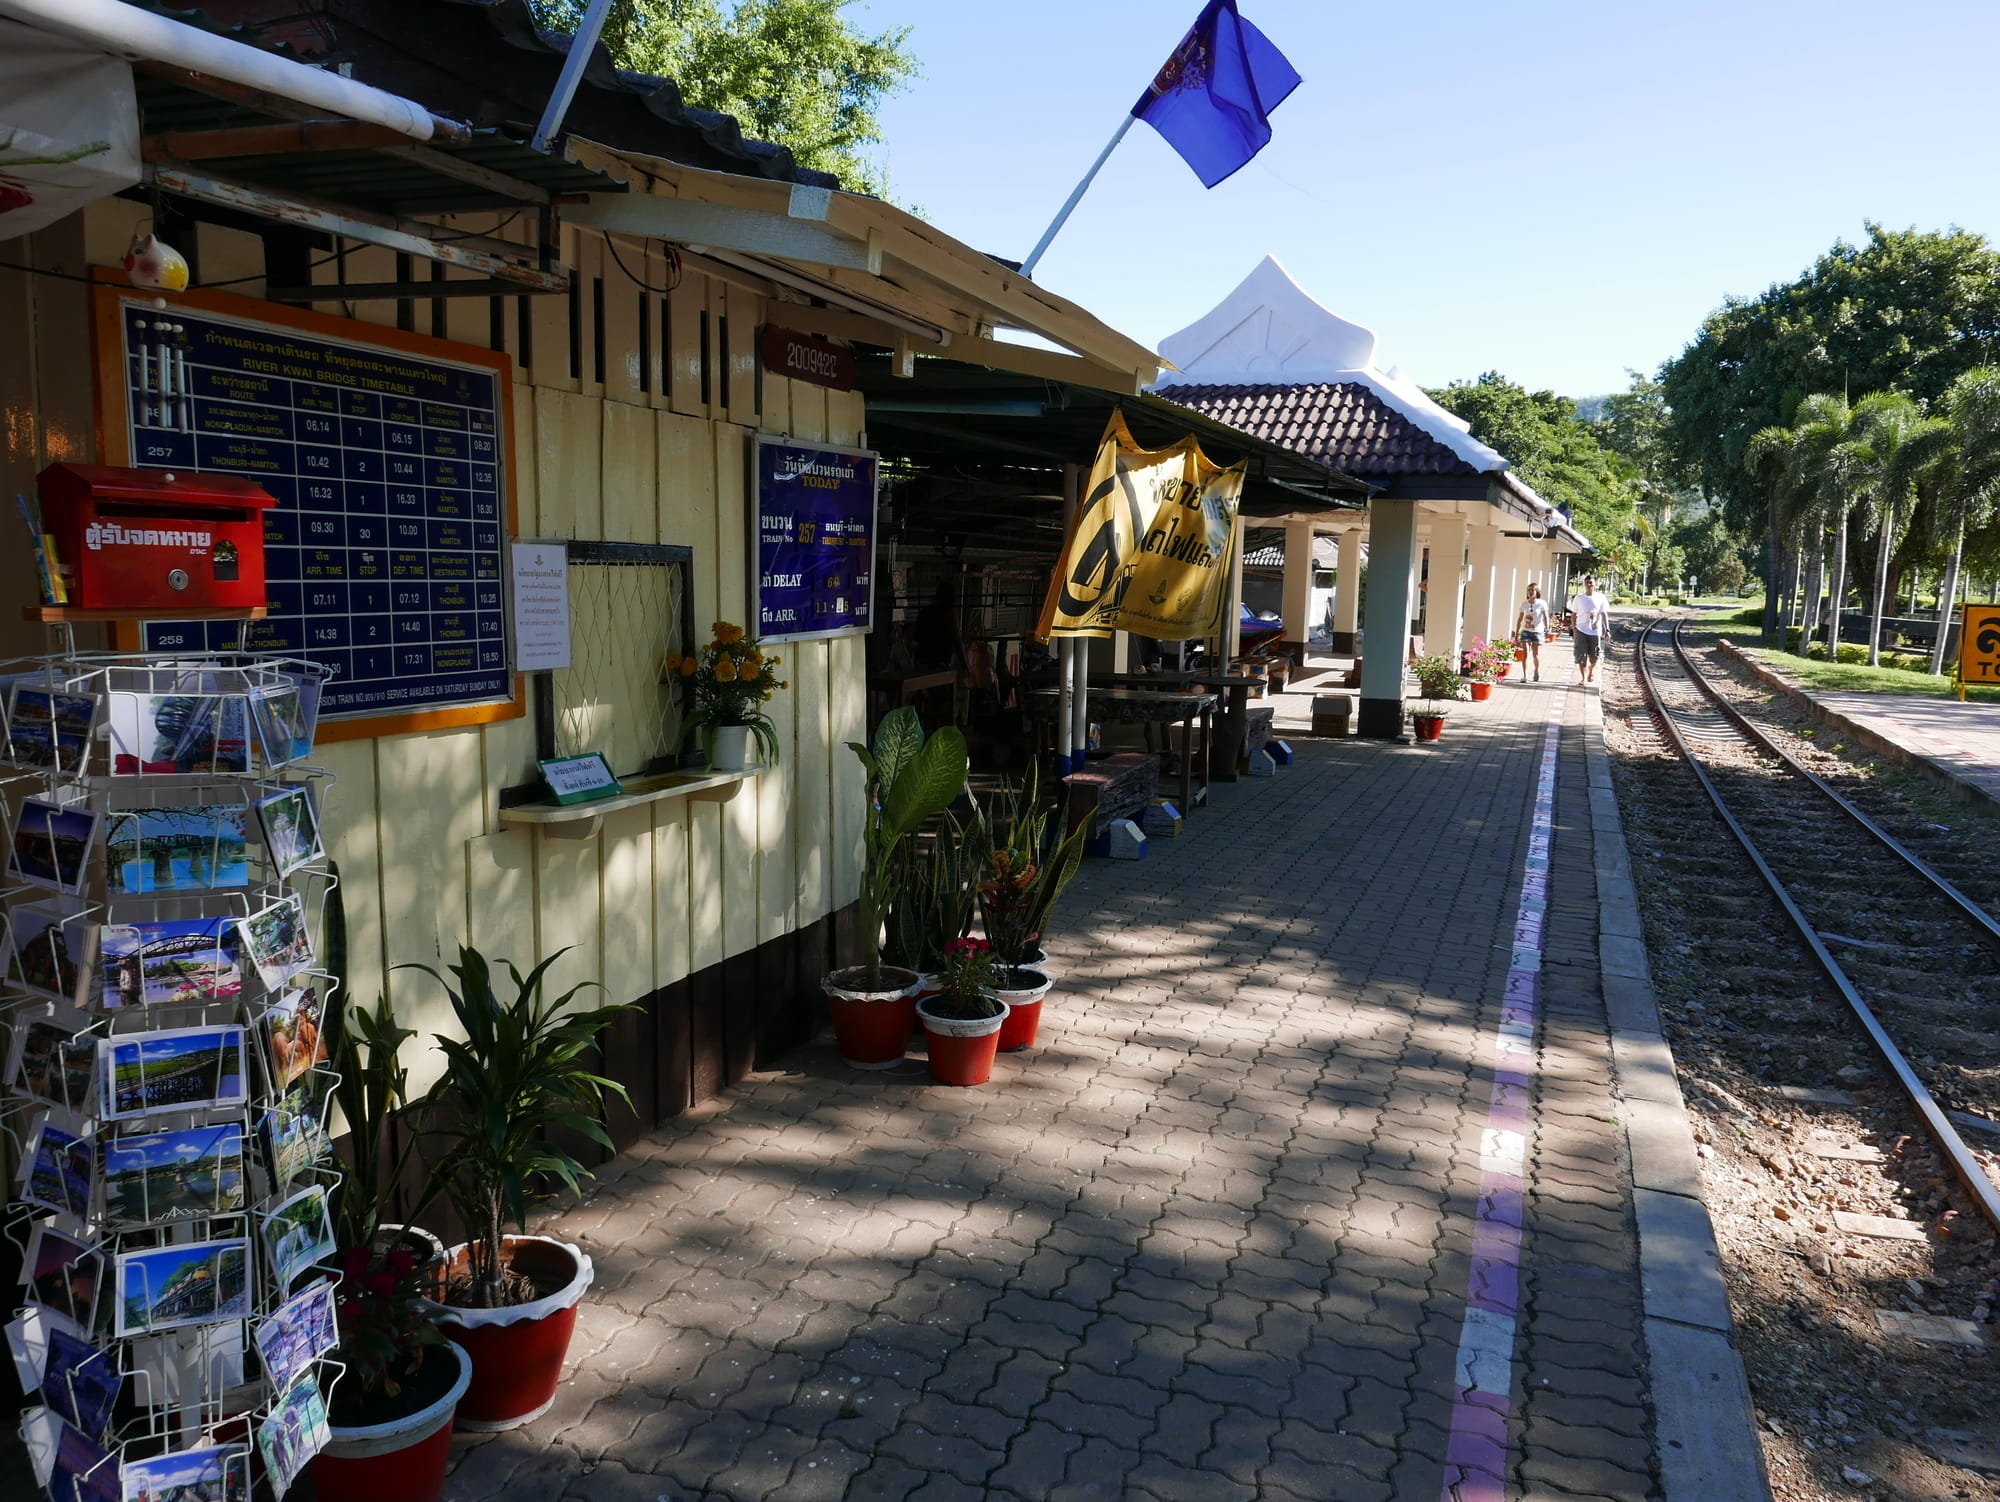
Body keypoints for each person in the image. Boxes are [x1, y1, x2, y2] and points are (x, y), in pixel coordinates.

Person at [1568, 575, 1608, 685]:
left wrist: (1607, 629)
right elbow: (1574, 613)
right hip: (1581, 630)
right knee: (1581, 655)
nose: (1589, 584)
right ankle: (1583, 678)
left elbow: (1604, 614)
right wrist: (1574, 627)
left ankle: (1591, 671)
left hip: (1595, 632)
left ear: (1595, 584)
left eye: (1591, 582)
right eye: (1587, 582)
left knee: (1594, 656)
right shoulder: (1579, 598)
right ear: (1584, 584)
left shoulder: (1600, 598)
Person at [1513, 583, 1552, 682]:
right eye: (1529, 590)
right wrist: (1517, 632)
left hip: (1537, 631)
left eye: (1532, 590)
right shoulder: (1524, 604)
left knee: (1535, 654)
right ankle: (1524, 675)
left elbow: (1546, 616)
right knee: (1525, 652)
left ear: (1536, 592)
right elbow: (1520, 618)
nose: (1530, 592)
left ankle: (1536, 671)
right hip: (1526, 631)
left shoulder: (1542, 603)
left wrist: (1547, 629)